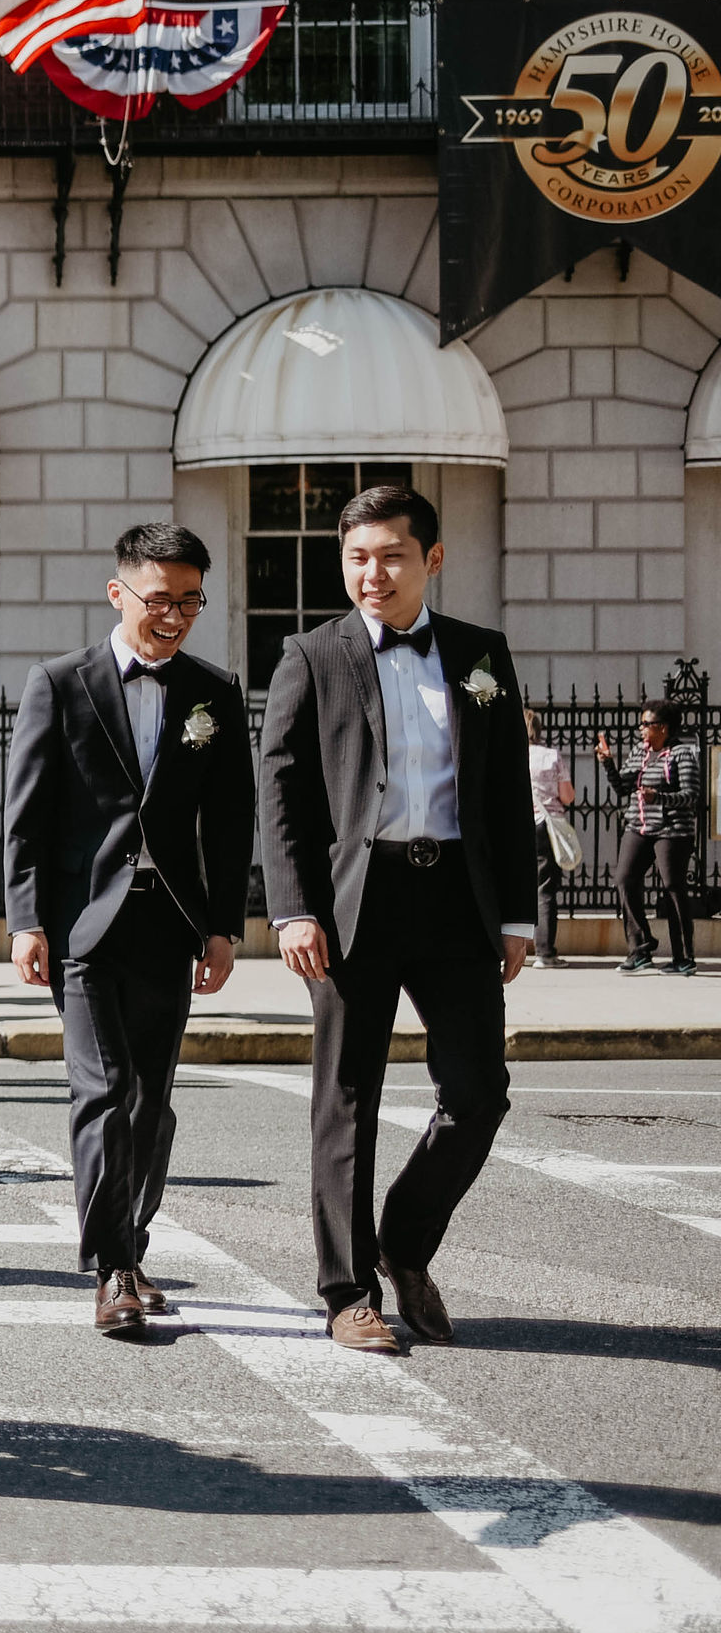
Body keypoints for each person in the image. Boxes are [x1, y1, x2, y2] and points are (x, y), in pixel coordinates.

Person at [258, 481, 535, 1356]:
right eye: (357, 556)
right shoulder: (312, 654)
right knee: (348, 1097)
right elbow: (284, 789)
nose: (372, 573)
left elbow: (504, 789)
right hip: (355, 902)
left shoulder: (481, 654)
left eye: (391, 555)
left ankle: (404, 1240)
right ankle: (346, 1291)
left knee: (479, 1092)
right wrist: (295, 906)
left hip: (455, 896)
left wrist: (519, 914)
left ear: (432, 559)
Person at [3, 523, 255, 1339]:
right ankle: (110, 1267)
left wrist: (223, 928)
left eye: (190, 600)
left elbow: (230, 821)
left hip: (170, 923)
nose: (175, 614)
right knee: (103, 1094)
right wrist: (24, 920)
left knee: (152, 1104)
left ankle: (131, 1245)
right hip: (82, 923)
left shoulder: (214, 691)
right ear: (119, 593)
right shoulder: (59, 682)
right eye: (160, 599)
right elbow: (28, 812)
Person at [596, 703, 702, 976]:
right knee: (624, 880)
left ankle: (684, 957)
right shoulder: (640, 752)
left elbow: (691, 796)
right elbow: (622, 787)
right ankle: (640, 948)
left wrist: (659, 797)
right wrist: (608, 762)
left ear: (663, 728)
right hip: (639, 826)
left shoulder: (682, 754)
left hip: (673, 831)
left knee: (673, 888)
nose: (641, 729)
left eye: (646, 724)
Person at [524, 708, 573, 968]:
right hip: (545, 825)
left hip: (517, 825)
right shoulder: (551, 756)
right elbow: (567, 796)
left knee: (511, 885)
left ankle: (502, 950)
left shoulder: (510, 755)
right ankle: (544, 952)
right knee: (545, 889)